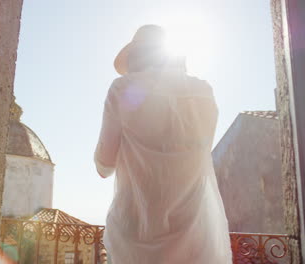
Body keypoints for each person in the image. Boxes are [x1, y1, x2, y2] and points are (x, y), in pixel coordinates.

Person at [94, 25, 232, 263]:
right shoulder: (204, 92)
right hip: (194, 235)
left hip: (136, 233)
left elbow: (104, 166)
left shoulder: (123, 89)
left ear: (135, 56)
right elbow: (199, 154)